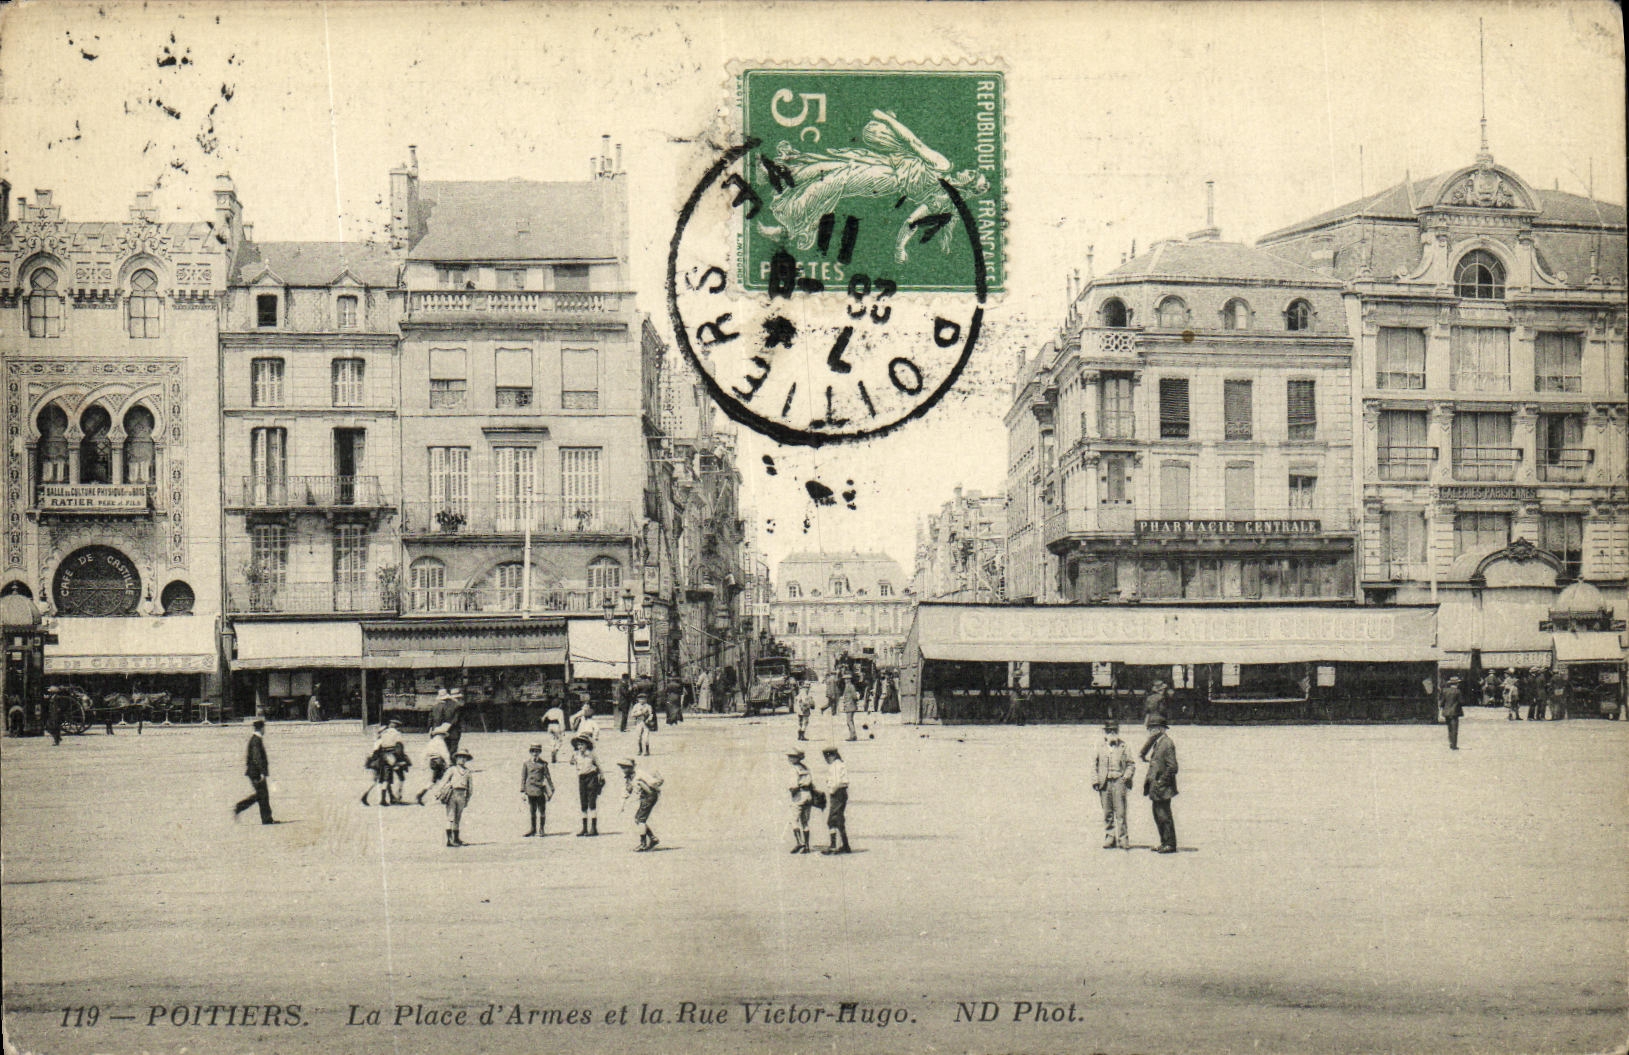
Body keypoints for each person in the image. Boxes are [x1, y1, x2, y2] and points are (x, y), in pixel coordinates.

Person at [757, 109, 991, 266]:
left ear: (968, 185)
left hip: (885, 178)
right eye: (972, 171)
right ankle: (775, 174)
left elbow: (913, 143)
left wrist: (900, 249)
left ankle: (788, 225)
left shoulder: (942, 175)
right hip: (884, 165)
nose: (968, 171)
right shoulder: (942, 187)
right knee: (832, 166)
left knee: (833, 181)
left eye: (972, 175)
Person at [1091, 719, 1136, 850]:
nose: (1112, 733)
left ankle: (1123, 839)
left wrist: (1126, 776)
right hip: (1104, 783)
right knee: (1107, 812)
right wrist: (1095, 780)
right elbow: (1094, 765)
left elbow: (1131, 764)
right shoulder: (1099, 746)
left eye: (1114, 730)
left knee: (1121, 812)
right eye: (1109, 730)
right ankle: (1110, 837)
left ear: (1118, 731)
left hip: (1119, 782)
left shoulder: (1124, 746)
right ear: (1105, 732)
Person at [1142, 715, 1178, 853]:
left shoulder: (1167, 743)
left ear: (1161, 729)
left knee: (1164, 816)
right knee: (1158, 816)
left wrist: (1161, 781)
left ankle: (1170, 844)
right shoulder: (1159, 742)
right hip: (1157, 788)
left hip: (1162, 788)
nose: (1150, 731)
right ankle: (1164, 842)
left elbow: (1173, 767)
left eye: (1153, 728)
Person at [232, 717, 274, 825]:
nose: (265, 730)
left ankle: (267, 819)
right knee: (261, 795)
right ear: (261, 728)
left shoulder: (255, 739)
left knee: (262, 795)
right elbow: (257, 758)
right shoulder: (256, 740)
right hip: (256, 772)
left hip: (254, 772)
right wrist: (262, 772)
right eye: (264, 728)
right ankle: (239, 807)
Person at [616, 757, 663, 851]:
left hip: (649, 796)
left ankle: (643, 844)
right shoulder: (629, 778)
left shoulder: (639, 774)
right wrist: (621, 805)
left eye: (626, 767)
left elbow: (652, 782)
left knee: (640, 819)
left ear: (632, 767)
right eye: (623, 768)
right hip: (645, 797)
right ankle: (652, 839)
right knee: (638, 819)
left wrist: (657, 785)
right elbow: (626, 791)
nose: (624, 770)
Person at [433, 749, 473, 847]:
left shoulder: (468, 772)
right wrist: (438, 792)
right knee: (450, 817)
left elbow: (470, 787)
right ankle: (449, 840)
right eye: (460, 757)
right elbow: (443, 781)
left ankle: (456, 838)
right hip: (452, 794)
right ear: (456, 758)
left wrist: (467, 799)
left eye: (464, 757)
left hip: (462, 795)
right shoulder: (452, 770)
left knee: (457, 818)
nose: (462, 759)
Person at [786, 749, 819, 854]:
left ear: (797, 758)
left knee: (793, 820)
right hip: (808, 795)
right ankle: (807, 846)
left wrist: (791, 792)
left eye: (792, 756)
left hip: (799, 795)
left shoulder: (793, 769)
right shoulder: (805, 768)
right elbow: (811, 782)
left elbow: (793, 785)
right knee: (805, 822)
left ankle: (799, 842)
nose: (789, 758)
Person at [820, 746, 851, 854]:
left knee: (832, 820)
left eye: (827, 757)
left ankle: (834, 846)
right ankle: (845, 845)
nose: (826, 760)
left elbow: (836, 782)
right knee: (839, 819)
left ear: (832, 756)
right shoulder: (840, 764)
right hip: (842, 792)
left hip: (837, 793)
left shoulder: (834, 766)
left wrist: (832, 790)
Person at [572, 733, 603, 837]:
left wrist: (602, 778)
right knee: (583, 803)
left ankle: (593, 828)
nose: (580, 747)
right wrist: (573, 757)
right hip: (581, 779)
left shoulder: (591, 754)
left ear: (587, 745)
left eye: (582, 744)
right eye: (578, 745)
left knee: (592, 803)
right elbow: (572, 763)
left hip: (591, 778)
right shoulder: (576, 755)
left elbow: (599, 766)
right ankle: (584, 828)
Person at [521, 743, 553, 837]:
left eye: (537, 751)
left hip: (540, 789)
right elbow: (523, 778)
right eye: (533, 751)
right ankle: (533, 829)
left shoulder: (543, 764)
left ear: (540, 752)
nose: (535, 753)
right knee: (532, 810)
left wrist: (551, 789)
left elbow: (548, 777)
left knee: (542, 810)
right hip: (530, 790)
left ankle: (542, 829)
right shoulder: (526, 764)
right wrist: (523, 791)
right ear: (530, 752)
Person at [416, 723, 452, 805]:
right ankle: (440, 797)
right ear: (441, 734)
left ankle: (422, 794)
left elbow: (424, 753)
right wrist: (448, 763)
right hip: (439, 762)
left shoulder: (431, 742)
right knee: (444, 779)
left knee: (435, 781)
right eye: (443, 735)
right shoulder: (441, 742)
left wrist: (423, 764)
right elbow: (445, 754)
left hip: (432, 762)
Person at [429, 689, 464, 757]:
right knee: (452, 751)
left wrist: (433, 731)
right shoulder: (456, 706)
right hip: (453, 732)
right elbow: (456, 720)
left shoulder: (434, 707)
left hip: (437, 732)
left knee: (440, 751)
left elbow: (430, 721)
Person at [1440, 674, 1464, 750]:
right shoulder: (1458, 692)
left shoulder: (1445, 691)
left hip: (1446, 712)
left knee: (1449, 728)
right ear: (1457, 684)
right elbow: (1461, 702)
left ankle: (1450, 742)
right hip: (1455, 712)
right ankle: (1454, 745)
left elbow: (1442, 702)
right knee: (1454, 729)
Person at [631, 692, 656, 757]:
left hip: (646, 723)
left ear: (646, 699)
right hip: (639, 722)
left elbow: (651, 714)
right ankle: (640, 750)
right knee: (638, 737)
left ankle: (647, 751)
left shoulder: (648, 706)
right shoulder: (636, 706)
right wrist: (638, 713)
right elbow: (632, 714)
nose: (642, 700)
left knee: (646, 738)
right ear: (638, 699)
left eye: (643, 699)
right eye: (640, 699)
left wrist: (649, 719)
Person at [839, 674, 860, 741]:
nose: (845, 680)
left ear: (849, 679)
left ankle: (853, 735)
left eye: (846, 679)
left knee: (849, 721)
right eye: (845, 679)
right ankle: (852, 735)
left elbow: (854, 696)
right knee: (850, 721)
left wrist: (854, 700)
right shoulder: (848, 686)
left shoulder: (851, 686)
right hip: (848, 705)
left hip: (850, 705)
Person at [795, 677, 814, 742]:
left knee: (800, 722)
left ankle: (799, 736)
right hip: (804, 709)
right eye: (808, 687)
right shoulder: (804, 693)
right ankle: (802, 736)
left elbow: (797, 699)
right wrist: (810, 703)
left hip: (799, 709)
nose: (808, 688)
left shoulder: (800, 691)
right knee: (805, 722)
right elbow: (805, 701)